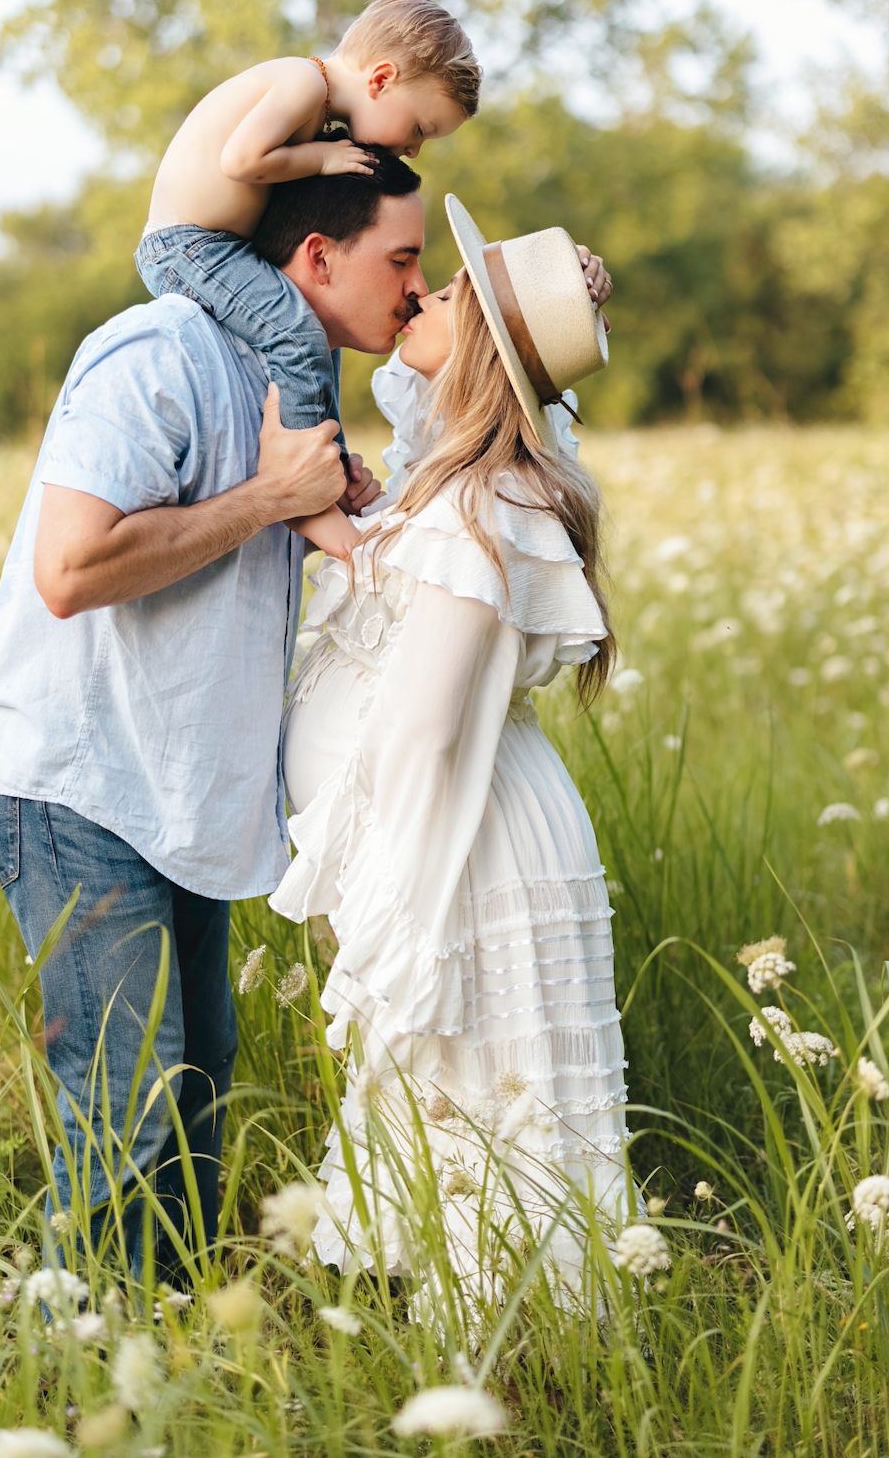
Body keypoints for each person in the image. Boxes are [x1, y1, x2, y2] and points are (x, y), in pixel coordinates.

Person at [0, 148, 428, 1280]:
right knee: (134, 1102)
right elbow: (72, 571)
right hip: (79, 785)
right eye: (400, 259)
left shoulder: (295, 386)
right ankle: (86, 1386)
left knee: (196, 1079)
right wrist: (270, 499)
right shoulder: (156, 349)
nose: (414, 286)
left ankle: (167, 1355)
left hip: (180, 798)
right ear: (315, 255)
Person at [271, 195, 629, 1293]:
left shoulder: (493, 501)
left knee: (484, 1116)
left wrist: (381, 908)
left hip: (466, 844)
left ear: (479, 345)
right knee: (451, 1121)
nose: (425, 288)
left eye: (457, 289)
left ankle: (510, 1374)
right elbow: (403, 609)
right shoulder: (455, 490)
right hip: (462, 826)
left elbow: (426, 732)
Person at [135, 0, 481, 559]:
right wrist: (322, 158)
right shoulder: (303, 82)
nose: (414, 147)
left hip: (218, 243)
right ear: (381, 79)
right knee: (297, 333)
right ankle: (309, 498)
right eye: (419, 126)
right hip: (187, 246)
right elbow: (242, 161)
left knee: (315, 336)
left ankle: (330, 472)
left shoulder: (316, 105)